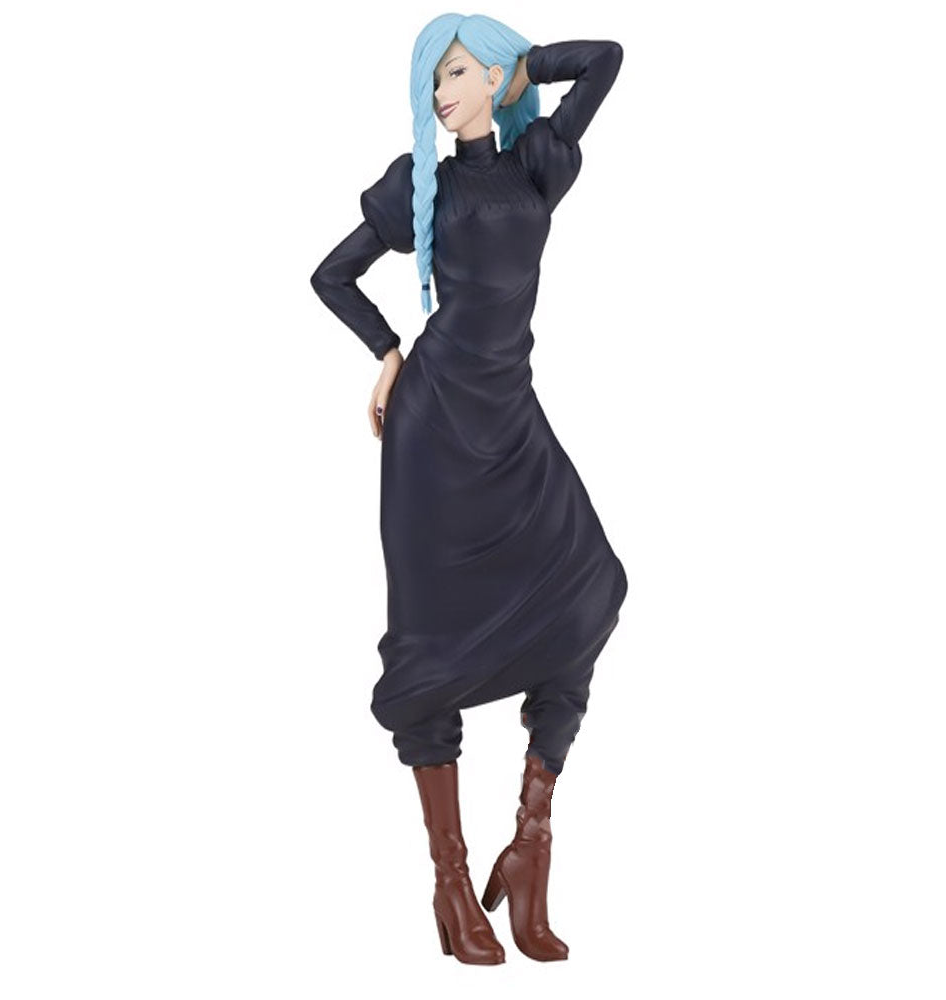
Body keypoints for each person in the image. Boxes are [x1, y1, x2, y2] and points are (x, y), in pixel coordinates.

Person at [310, 13, 627, 963]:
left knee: (588, 593)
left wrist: (522, 65)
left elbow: (605, 61)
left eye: (457, 72)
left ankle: (530, 847)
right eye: (432, 79)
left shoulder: (538, 164)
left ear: (492, 76)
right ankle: (451, 884)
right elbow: (330, 276)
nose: (441, 93)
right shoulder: (424, 184)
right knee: (429, 649)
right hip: (432, 430)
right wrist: (387, 352)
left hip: (510, 417)